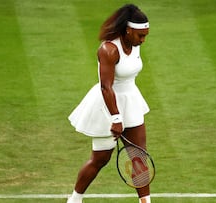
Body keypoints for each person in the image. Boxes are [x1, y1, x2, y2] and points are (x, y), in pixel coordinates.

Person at [67, 4, 151, 203]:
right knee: (100, 160)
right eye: (140, 35)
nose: (143, 40)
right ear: (128, 30)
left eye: (146, 35)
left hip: (131, 102)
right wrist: (115, 118)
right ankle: (74, 200)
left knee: (139, 156)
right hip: (108, 105)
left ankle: (146, 202)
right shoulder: (109, 49)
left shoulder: (135, 45)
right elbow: (106, 86)